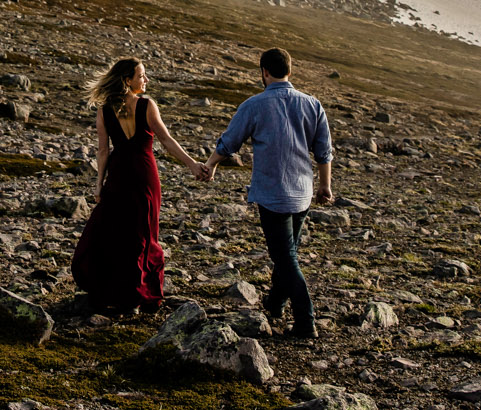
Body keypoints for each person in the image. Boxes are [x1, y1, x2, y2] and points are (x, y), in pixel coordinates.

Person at [203, 47, 333, 338]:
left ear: (264, 72)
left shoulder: (254, 105)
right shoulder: (312, 104)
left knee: (286, 257)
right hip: (302, 193)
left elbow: (230, 142)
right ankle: (276, 302)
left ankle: (305, 321)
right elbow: (324, 151)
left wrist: (210, 164)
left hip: (272, 194)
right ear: (290, 70)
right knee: (288, 254)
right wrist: (325, 186)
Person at [71, 57, 206, 316]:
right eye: (141, 75)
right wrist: (191, 164)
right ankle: (136, 292)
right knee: (143, 233)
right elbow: (166, 140)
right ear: (127, 80)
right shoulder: (147, 105)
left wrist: (99, 185)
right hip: (145, 175)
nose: (146, 80)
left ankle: (112, 290)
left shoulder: (104, 110)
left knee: (114, 231)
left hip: (119, 175)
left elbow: (102, 151)